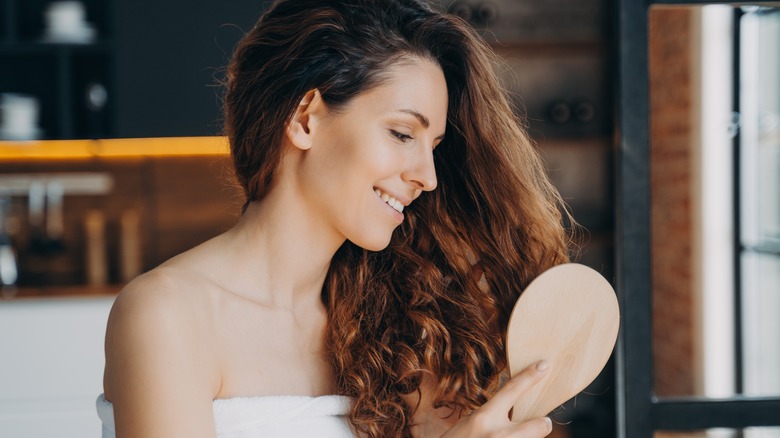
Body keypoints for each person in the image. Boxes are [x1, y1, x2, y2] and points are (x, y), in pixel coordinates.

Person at [97, 0, 573, 436]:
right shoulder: (168, 315)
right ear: (306, 118)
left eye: (435, 148)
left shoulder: (393, 336)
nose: (427, 177)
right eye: (403, 133)